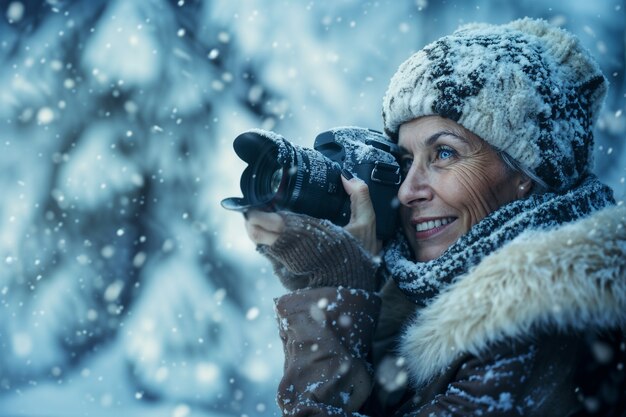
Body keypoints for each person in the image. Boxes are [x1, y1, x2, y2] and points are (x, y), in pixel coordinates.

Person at [244, 18, 626, 416]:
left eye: (444, 153)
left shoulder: (536, 328)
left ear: (525, 175)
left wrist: (334, 289)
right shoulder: (430, 300)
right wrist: (355, 286)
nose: (409, 191)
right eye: (406, 161)